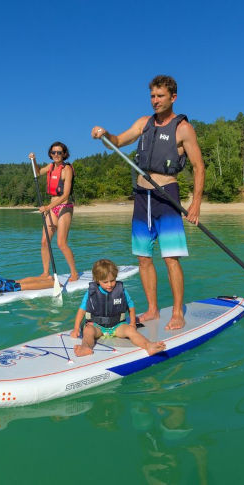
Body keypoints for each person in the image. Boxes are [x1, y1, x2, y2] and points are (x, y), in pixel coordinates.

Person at [91, 75, 205, 330]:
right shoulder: (144, 123)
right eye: (152, 96)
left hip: (167, 196)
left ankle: (177, 311)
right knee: (144, 258)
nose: (155, 101)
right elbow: (117, 142)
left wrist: (195, 203)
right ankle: (153, 309)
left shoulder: (182, 128)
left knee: (171, 258)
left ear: (173, 97)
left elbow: (199, 167)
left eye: (160, 96)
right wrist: (104, 134)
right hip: (142, 198)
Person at [71, 259, 166, 357]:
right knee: (88, 331)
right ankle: (86, 347)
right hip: (97, 326)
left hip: (117, 326)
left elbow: (131, 306)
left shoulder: (121, 290)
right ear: (97, 280)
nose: (109, 284)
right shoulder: (91, 293)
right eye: (105, 282)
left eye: (112, 280)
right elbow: (82, 310)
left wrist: (133, 323)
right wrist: (76, 328)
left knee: (131, 331)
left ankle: (149, 346)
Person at [28, 141, 80, 282]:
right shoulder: (50, 167)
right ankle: (46, 273)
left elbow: (65, 195)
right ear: (50, 154)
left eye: (59, 152)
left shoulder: (67, 169)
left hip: (65, 207)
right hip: (52, 207)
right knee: (45, 242)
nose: (56, 155)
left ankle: (74, 273)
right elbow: (37, 172)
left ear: (64, 154)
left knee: (61, 243)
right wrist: (34, 160)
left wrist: (47, 208)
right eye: (53, 152)